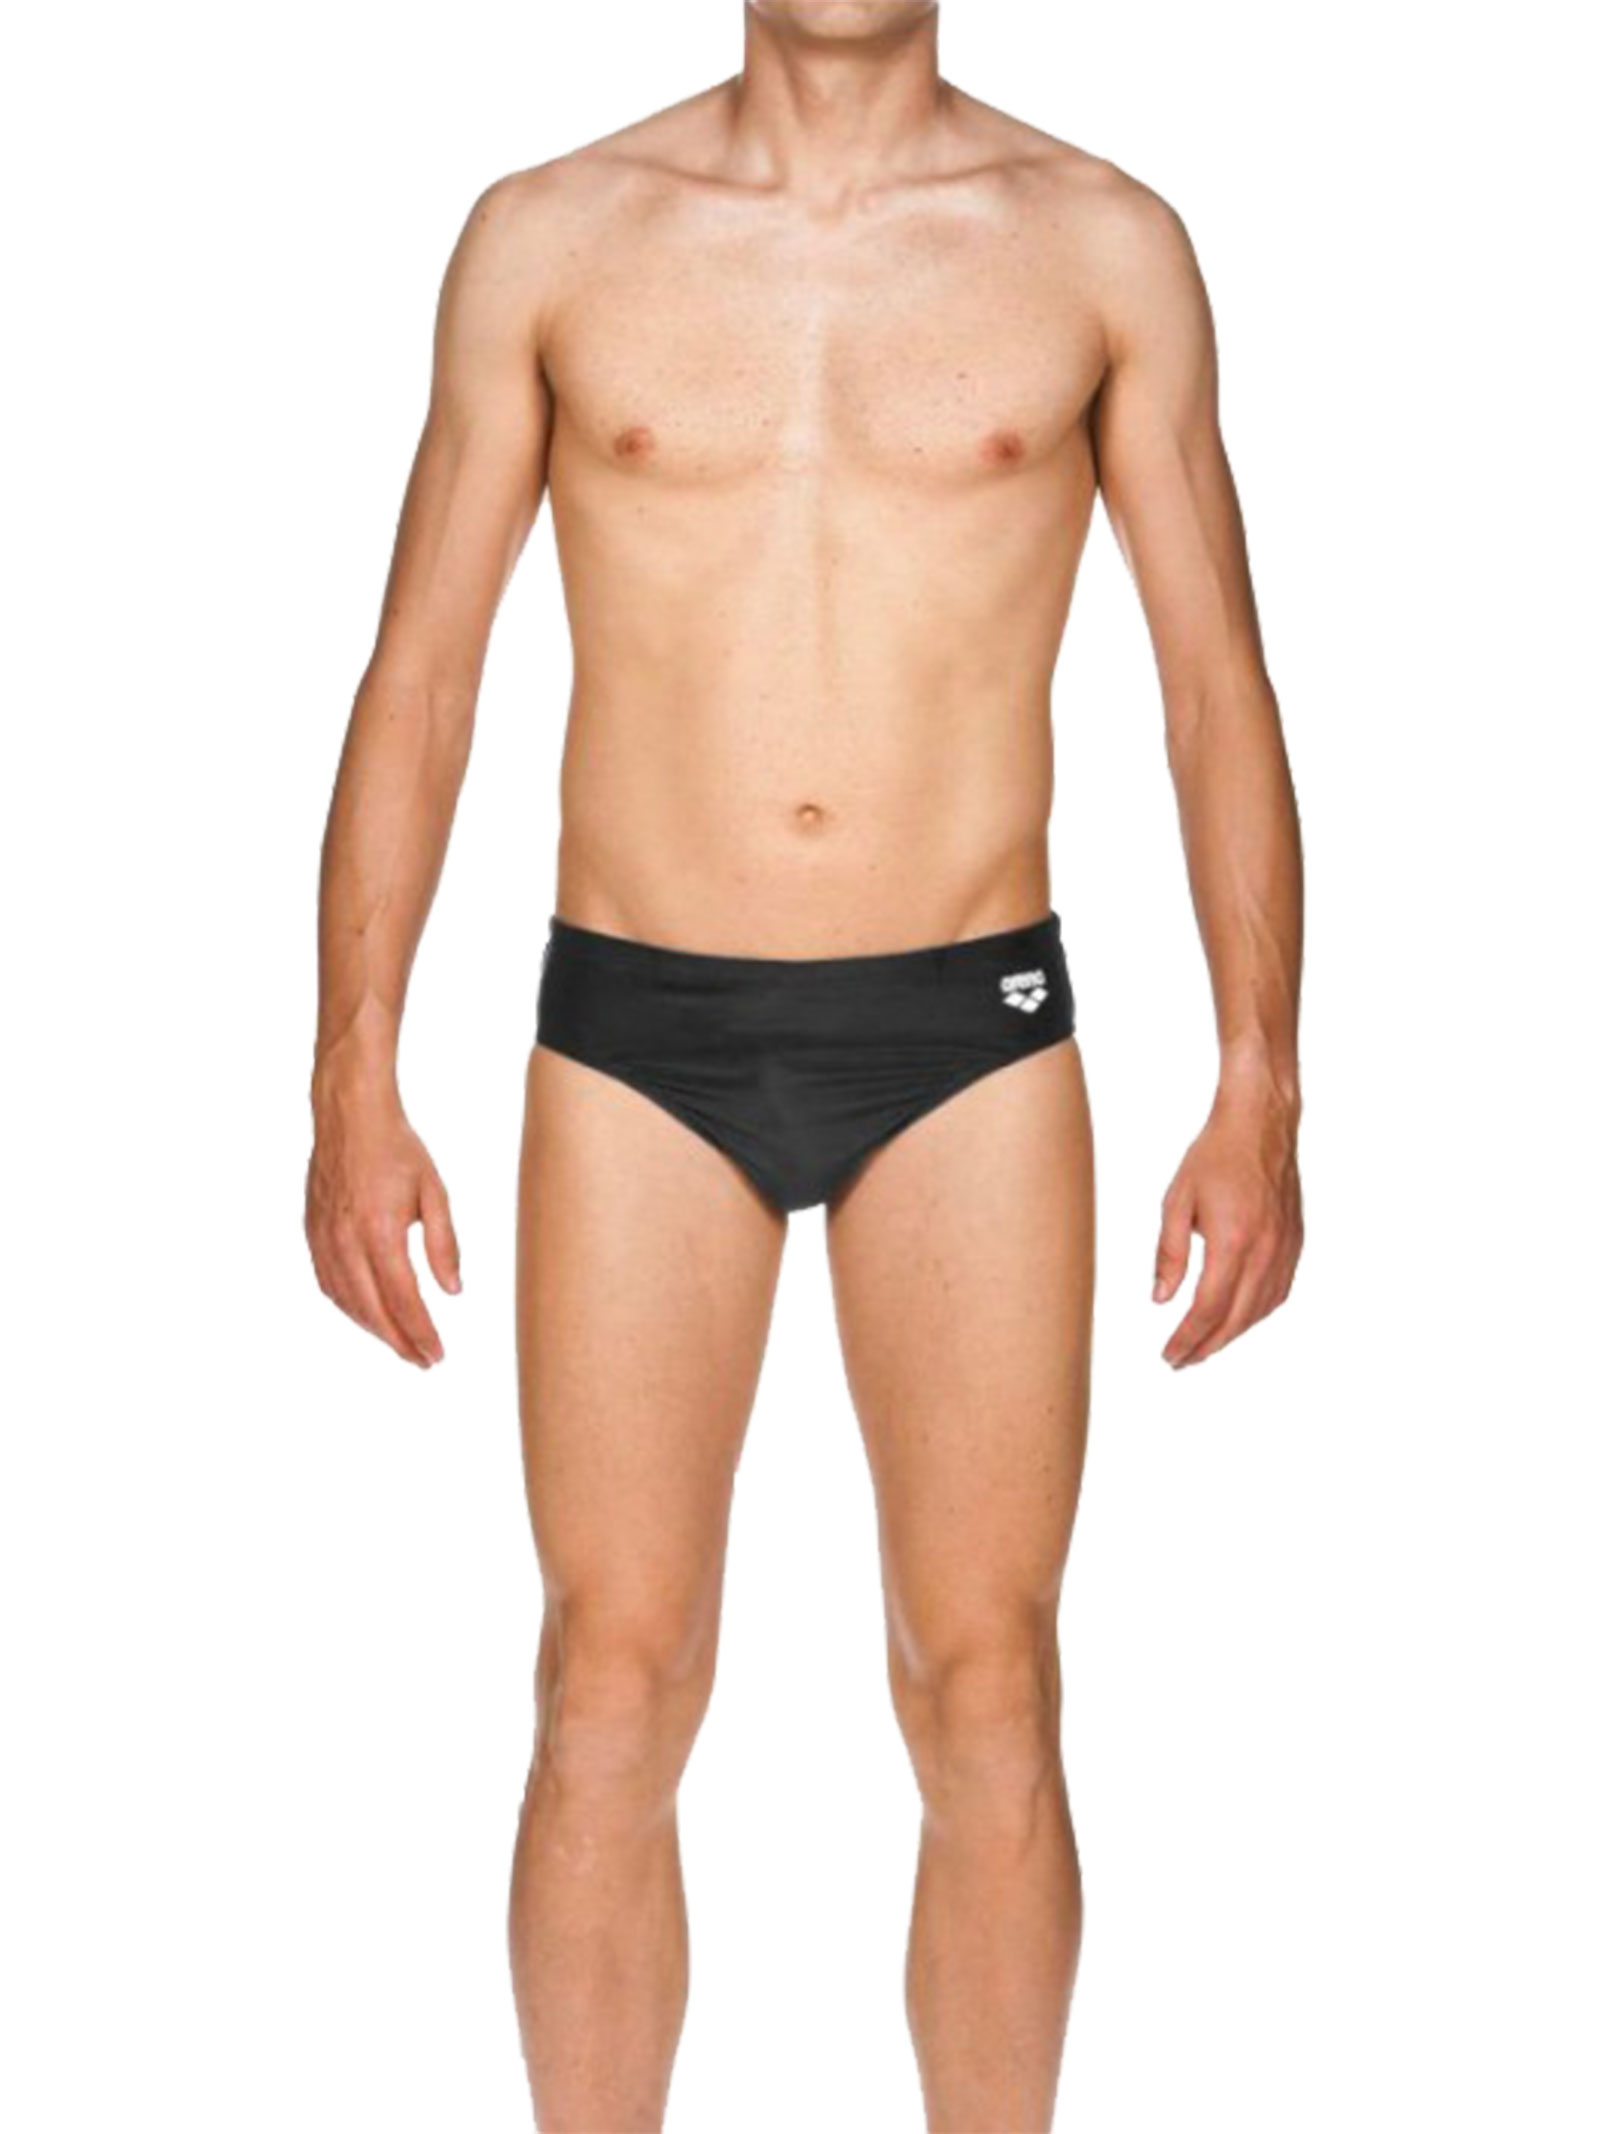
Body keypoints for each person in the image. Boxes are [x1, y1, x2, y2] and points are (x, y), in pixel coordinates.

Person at [304, 3, 1304, 2125]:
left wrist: (1260, 1077)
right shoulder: (551, 235)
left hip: (969, 1034)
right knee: (606, 1681)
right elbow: (421, 671)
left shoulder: (1100, 244)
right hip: (636, 1035)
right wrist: (350, 1072)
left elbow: (1214, 679)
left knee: (988, 1685)